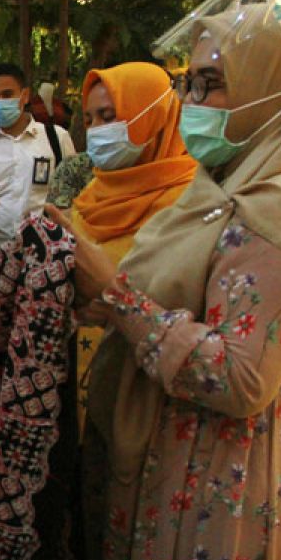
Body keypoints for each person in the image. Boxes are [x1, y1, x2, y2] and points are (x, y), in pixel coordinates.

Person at [63, 3, 281, 560]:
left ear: (278, 91)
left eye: (213, 85)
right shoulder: (224, 187)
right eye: (189, 84)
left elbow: (241, 378)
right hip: (180, 458)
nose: (192, 106)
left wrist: (117, 297)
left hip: (225, 479)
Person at [68, 62, 196, 427]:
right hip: (87, 373)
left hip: (152, 386)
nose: (97, 132)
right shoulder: (94, 194)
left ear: (153, 115)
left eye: (109, 116)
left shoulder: (190, 201)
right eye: (90, 120)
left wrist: (114, 304)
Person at [0, 62, 76, 259]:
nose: (0, 101)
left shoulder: (57, 138)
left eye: (7, 94)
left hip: (49, 254)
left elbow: (74, 195)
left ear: (25, 96)